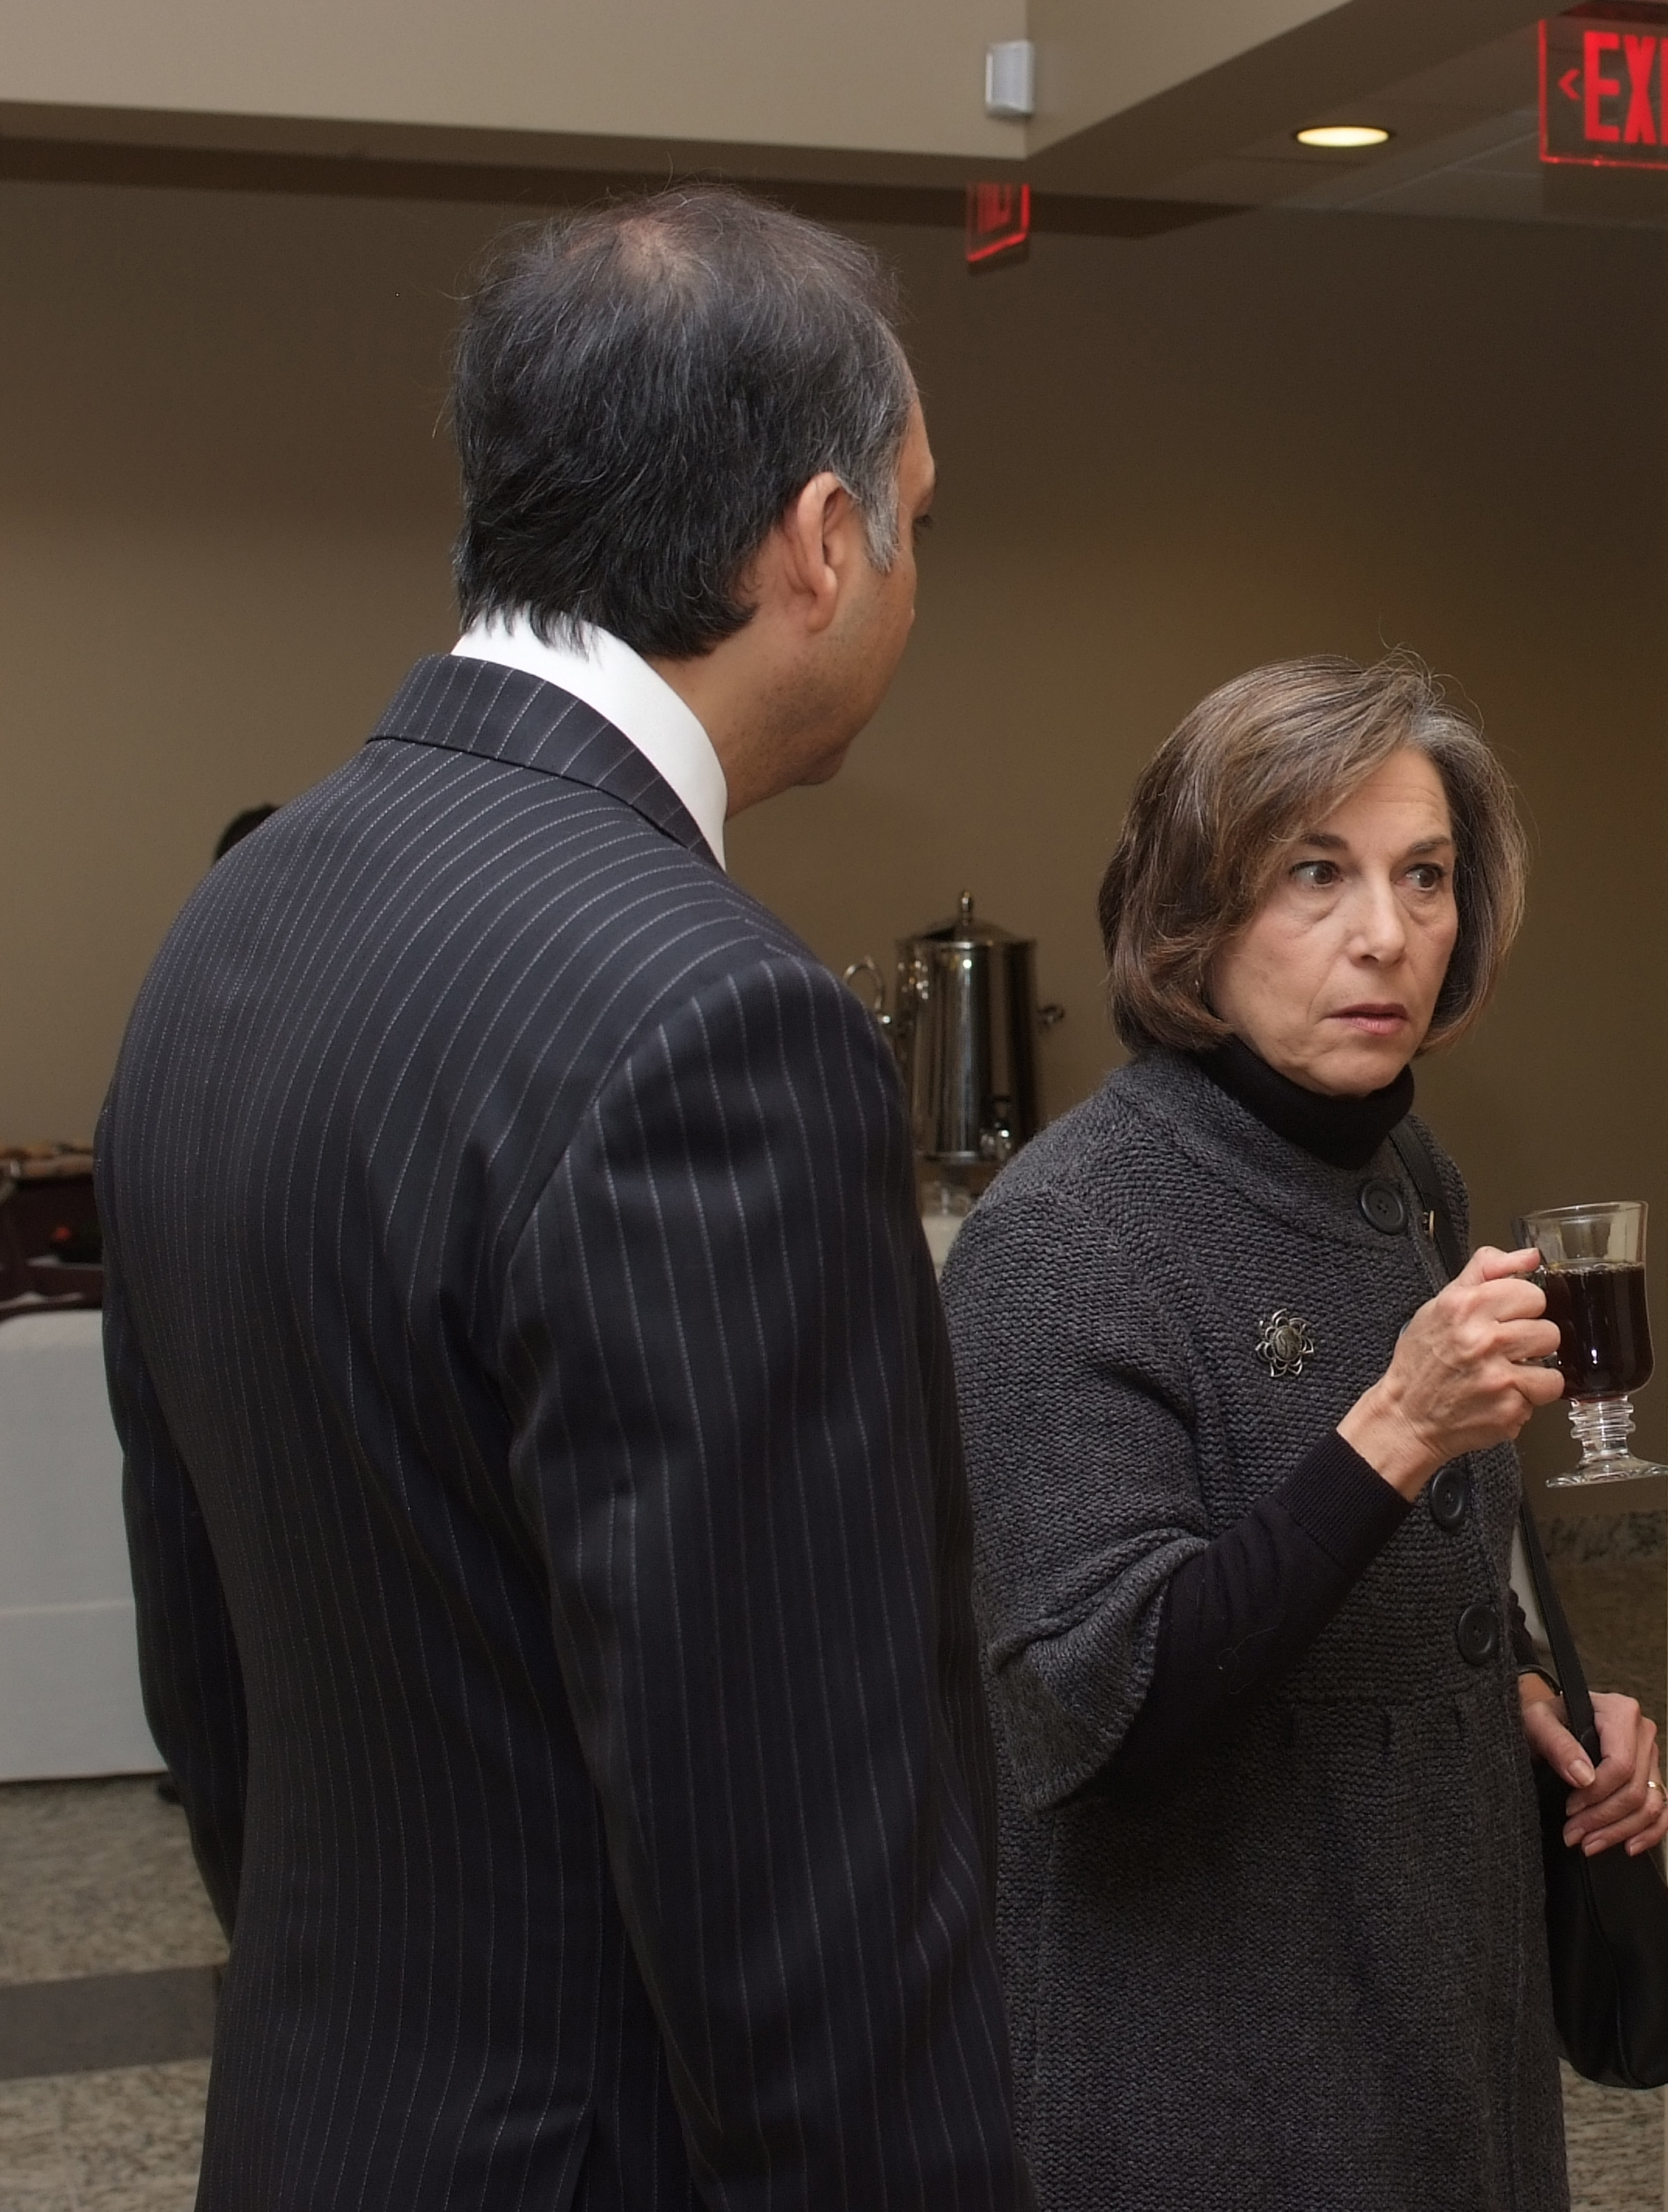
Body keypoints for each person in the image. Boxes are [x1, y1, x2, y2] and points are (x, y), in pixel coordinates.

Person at [99, 186, 1025, 2207]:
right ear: (820, 541)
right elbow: (807, 1890)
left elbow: (216, 1690)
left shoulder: (238, 917)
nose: (910, 575)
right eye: (917, 521)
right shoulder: (718, 1029)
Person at [941, 654, 1668, 2212]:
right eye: (1314, 874)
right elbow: (1101, 1714)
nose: (1388, 934)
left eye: (1425, 876)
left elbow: (1422, 1577)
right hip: (1207, 2076)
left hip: (1441, 2014)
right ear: (1193, 921)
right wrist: (1393, 1429)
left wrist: (1539, 1707)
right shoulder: (1067, 1239)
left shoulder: (1412, 1171)